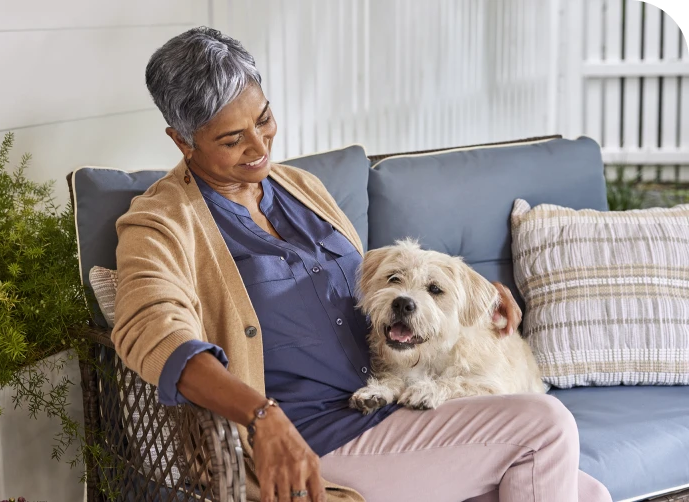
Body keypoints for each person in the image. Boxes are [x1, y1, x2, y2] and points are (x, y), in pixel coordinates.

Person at [111, 26, 612, 502]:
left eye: (263, 119)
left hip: (386, 403)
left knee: (588, 493)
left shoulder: (301, 189)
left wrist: (474, 295)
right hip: (310, 439)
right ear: (182, 140)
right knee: (546, 426)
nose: (261, 147)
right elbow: (151, 332)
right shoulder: (160, 223)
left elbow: (381, 280)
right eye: (231, 139)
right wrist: (263, 417)